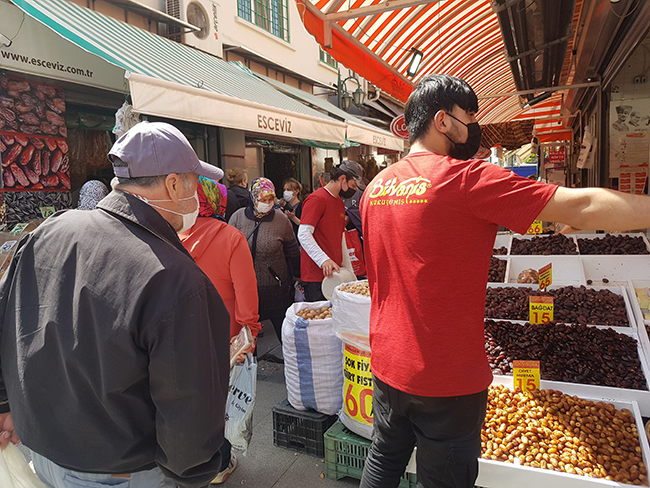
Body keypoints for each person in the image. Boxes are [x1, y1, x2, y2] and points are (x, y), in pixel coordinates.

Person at [359, 74, 650, 488]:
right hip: (448, 378)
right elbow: (582, 206)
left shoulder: (376, 188)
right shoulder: (466, 179)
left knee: (383, 461)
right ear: (443, 121)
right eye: (469, 116)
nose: (473, 126)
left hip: (388, 364)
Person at [0, 121, 231, 488]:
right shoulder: (172, 275)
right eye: (194, 181)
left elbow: (7, 318)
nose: (198, 194)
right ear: (173, 184)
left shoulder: (47, 233)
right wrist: (193, 471)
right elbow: (188, 400)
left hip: (40, 451)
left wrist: (4, 406)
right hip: (120, 472)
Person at [179, 175, 261, 484]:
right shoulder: (230, 237)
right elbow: (245, 294)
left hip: (181, 337)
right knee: (223, 403)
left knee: (188, 401)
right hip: (224, 338)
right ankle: (220, 465)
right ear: (218, 200)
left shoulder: (169, 237)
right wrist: (249, 335)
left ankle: (190, 461)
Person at [229, 177, 300, 345]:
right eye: (263, 199)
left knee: (285, 335)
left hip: (275, 288)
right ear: (253, 198)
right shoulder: (238, 218)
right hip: (245, 290)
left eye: (270, 199)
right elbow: (228, 250)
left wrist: (297, 275)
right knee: (248, 337)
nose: (267, 203)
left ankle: (291, 366)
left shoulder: (281, 220)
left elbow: (292, 250)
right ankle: (249, 369)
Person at [298, 163, 356, 302]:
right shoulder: (317, 199)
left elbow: (341, 237)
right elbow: (304, 233)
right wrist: (323, 260)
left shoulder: (340, 203)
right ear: (342, 179)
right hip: (316, 277)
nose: (353, 190)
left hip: (337, 275)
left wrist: (350, 272)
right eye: (352, 185)